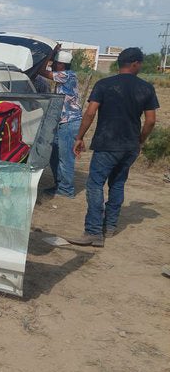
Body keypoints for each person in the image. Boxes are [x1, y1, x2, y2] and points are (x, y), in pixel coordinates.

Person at [67, 47, 159, 247]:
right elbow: (150, 121)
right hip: (130, 146)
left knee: (95, 184)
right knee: (117, 184)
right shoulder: (146, 88)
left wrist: (79, 137)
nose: (141, 66)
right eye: (141, 63)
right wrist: (140, 140)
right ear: (135, 63)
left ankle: (93, 232)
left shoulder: (104, 84)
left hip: (107, 144)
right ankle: (109, 227)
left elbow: (90, 113)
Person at [38, 48, 82, 198]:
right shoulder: (63, 77)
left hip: (69, 123)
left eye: (55, 63)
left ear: (61, 65)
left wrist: (48, 54)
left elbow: (43, 72)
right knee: (55, 155)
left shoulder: (68, 76)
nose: (53, 66)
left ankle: (66, 190)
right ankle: (60, 185)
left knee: (65, 158)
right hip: (62, 122)